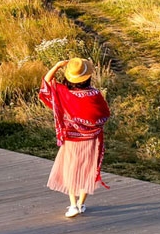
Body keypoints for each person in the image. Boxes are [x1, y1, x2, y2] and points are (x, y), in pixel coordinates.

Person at [38, 57, 110, 217]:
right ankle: (81, 204)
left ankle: (73, 205)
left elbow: (46, 85)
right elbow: (105, 113)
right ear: (88, 77)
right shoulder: (95, 93)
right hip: (92, 139)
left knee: (71, 168)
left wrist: (57, 66)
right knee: (88, 170)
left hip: (72, 138)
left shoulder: (64, 93)